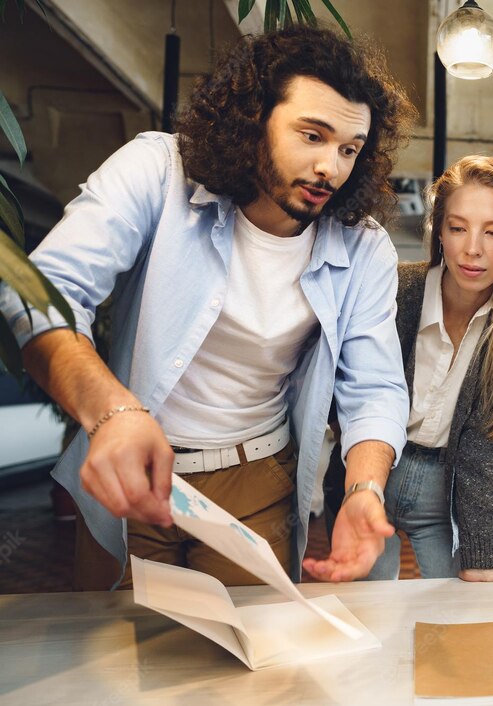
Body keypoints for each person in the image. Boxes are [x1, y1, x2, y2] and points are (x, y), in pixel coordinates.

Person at [0, 25, 416, 589]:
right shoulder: (158, 172)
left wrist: (365, 488)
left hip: (258, 484)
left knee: (246, 667)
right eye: (311, 136)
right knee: (121, 659)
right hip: (134, 468)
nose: (331, 168)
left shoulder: (362, 247)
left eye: (349, 149)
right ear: (253, 120)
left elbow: (374, 387)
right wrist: (113, 413)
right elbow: (42, 290)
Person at [340, 155, 493, 582]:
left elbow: (488, 455)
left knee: (458, 620)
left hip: (449, 488)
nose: (472, 249)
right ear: (439, 230)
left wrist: (478, 556)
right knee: (368, 613)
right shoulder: (397, 288)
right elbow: (348, 388)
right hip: (370, 473)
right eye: (457, 228)